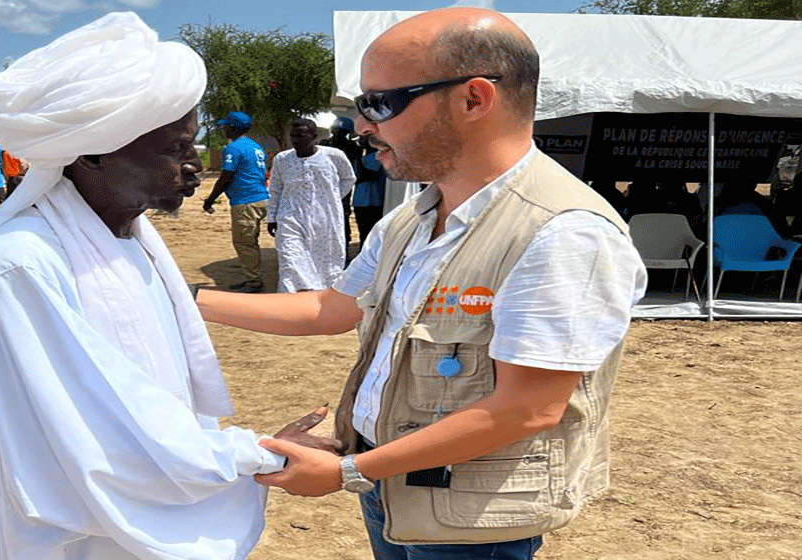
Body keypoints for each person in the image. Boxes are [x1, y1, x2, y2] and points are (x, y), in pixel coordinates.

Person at [198, 7, 646, 560]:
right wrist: (183, 298)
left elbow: (527, 409)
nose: (363, 126)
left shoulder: (563, 231)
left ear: (474, 99)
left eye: (379, 104)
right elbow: (330, 310)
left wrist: (346, 470)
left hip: (471, 518)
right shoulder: (414, 215)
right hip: (393, 483)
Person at [0, 13, 339, 560]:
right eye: (173, 150)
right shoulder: (23, 260)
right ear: (92, 154)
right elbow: (92, 433)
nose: (192, 168)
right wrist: (253, 453)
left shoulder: (131, 235)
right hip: (84, 529)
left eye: (193, 146)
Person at [267, 118, 356, 292]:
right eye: (292, 136)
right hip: (290, 219)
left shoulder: (333, 156)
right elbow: (275, 189)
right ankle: (291, 303)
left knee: (324, 263)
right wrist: (272, 217)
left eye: (300, 135)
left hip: (325, 220)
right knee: (290, 260)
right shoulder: (282, 159)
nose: (295, 140)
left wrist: (333, 198)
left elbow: (349, 178)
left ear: (314, 136)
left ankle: (318, 299)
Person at [202, 111, 269, 293]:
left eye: (225, 126)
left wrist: (210, 200)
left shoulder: (232, 148)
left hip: (245, 202)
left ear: (232, 128)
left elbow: (225, 177)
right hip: (261, 198)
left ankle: (254, 283)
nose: (223, 129)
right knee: (250, 242)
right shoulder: (256, 146)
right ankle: (251, 278)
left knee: (245, 243)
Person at [323, 116, 363, 252]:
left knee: (340, 218)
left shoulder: (350, 147)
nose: (337, 135)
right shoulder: (351, 147)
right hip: (329, 188)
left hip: (339, 188)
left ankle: (341, 249)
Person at [351, 136, 388, 249]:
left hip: (374, 201)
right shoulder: (362, 157)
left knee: (372, 233)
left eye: (364, 138)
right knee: (362, 232)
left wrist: (357, 159)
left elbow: (368, 175)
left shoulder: (377, 156)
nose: (360, 141)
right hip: (359, 201)